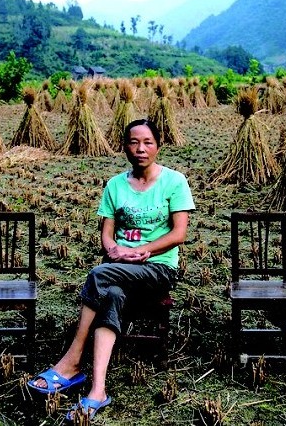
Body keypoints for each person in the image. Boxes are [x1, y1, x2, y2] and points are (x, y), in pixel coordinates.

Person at [28, 118, 195, 422]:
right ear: (124, 147)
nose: (140, 148)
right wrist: (113, 250)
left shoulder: (175, 181)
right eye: (134, 142)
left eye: (147, 142)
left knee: (98, 275)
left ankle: (73, 359)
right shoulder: (115, 185)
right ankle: (97, 391)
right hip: (118, 268)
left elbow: (178, 234)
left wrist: (144, 250)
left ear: (158, 146)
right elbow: (107, 232)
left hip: (157, 269)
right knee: (112, 294)